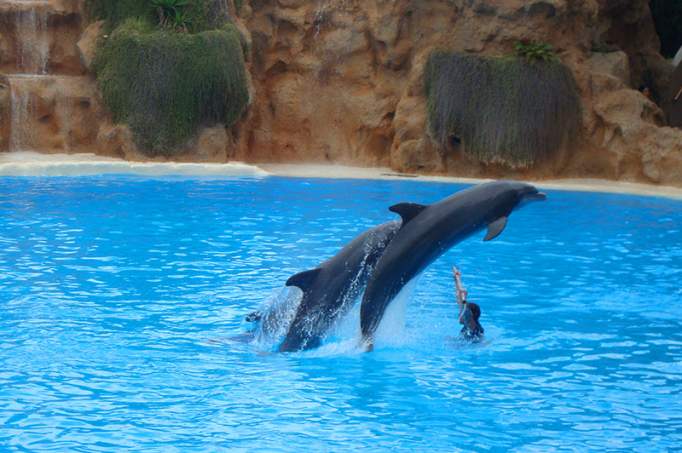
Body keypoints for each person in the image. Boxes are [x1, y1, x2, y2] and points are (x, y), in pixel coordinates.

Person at [453, 266, 484, 341]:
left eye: (465, 312)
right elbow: (460, 297)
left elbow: (461, 296)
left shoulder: (474, 328)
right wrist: (457, 279)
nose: (461, 313)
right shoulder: (468, 321)